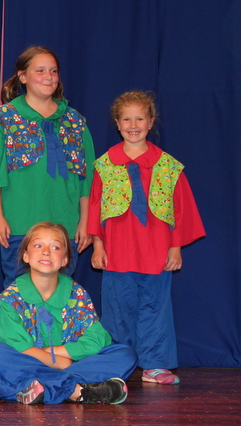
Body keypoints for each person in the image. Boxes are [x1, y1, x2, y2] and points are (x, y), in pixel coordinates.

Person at [88, 91, 204, 385]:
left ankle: (154, 365)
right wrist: (98, 245)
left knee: (155, 308)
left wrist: (175, 248)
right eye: (126, 119)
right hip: (118, 249)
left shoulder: (168, 166)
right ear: (117, 123)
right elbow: (96, 206)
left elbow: (181, 208)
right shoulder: (105, 165)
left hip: (156, 248)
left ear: (151, 122)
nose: (133, 125)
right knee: (117, 309)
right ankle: (117, 365)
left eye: (140, 118)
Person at [0, 222, 136, 405]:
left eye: (55, 247)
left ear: (64, 260)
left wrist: (53, 352)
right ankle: (77, 390)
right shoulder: (11, 298)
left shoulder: (76, 294)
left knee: (124, 354)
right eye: (38, 245)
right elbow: (17, 347)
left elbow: (95, 340)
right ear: (26, 255)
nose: (46, 252)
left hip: (60, 365)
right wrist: (63, 363)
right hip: (38, 363)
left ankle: (41, 388)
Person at [0, 46, 95, 283]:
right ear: (23, 76)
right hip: (19, 224)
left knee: (59, 292)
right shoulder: (4, 118)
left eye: (53, 71)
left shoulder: (75, 121)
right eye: (40, 70)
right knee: (19, 292)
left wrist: (85, 221)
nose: (48, 76)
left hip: (66, 225)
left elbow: (87, 178)